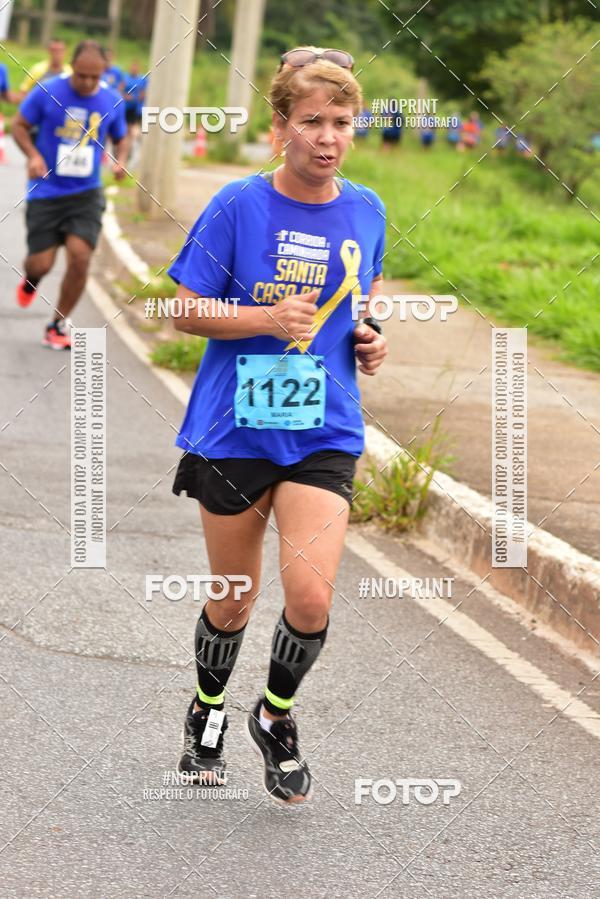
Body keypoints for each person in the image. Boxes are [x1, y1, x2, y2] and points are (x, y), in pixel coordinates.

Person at [168, 46, 388, 805]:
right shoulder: (237, 204)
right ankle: (207, 709)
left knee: (311, 598)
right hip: (235, 426)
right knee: (233, 596)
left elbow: (363, 300)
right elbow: (184, 306)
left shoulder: (367, 207)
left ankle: (275, 714)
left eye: (342, 122)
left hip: (323, 425)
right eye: (312, 122)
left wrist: (372, 335)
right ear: (280, 127)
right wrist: (262, 316)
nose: (328, 137)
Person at [12, 40, 128, 349]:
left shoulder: (111, 99)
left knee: (80, 257)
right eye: (81, 76)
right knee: (41, 264)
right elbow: (19, 126)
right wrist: (33, 156)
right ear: (72, 69)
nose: (88, 83)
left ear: (103, 72)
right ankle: (31, 280)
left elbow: (121, 136)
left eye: (94, 77)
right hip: (46, 190)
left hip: (85, 193)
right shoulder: (48, 91)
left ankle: (57, 324)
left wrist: (120, 159)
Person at [123, 61, 147, 143]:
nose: (133, 70)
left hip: (136, 108)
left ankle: (131, 143)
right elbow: (120, 90)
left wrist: (133, 97)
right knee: (125, 128)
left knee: (132, 128)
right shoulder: (125, 77)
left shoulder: (142, 80)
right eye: (132, 68)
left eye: (135, 68)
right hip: (125, 107)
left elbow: (143, 94)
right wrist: (124, 96)